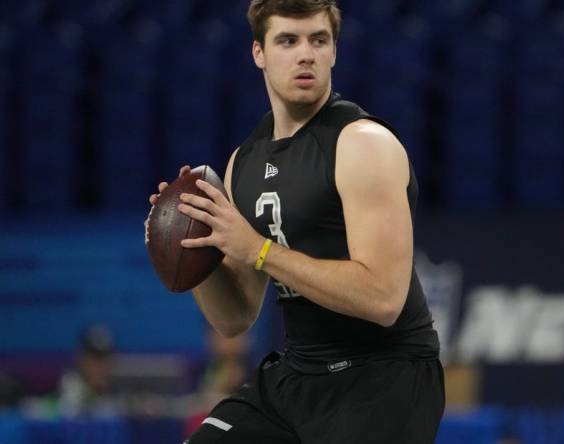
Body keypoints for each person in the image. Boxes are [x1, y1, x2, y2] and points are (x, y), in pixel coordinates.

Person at [146, 1, 444, 442]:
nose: (306, 54)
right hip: (299, 374)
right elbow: (235, 319)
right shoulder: (243, 162)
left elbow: (383, 299)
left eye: (318, 40)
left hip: (385, 376)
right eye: (288, 40)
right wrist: (192, 248)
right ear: (259, 53)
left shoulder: (363, 144)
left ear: (334, 53)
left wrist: (259, 250)